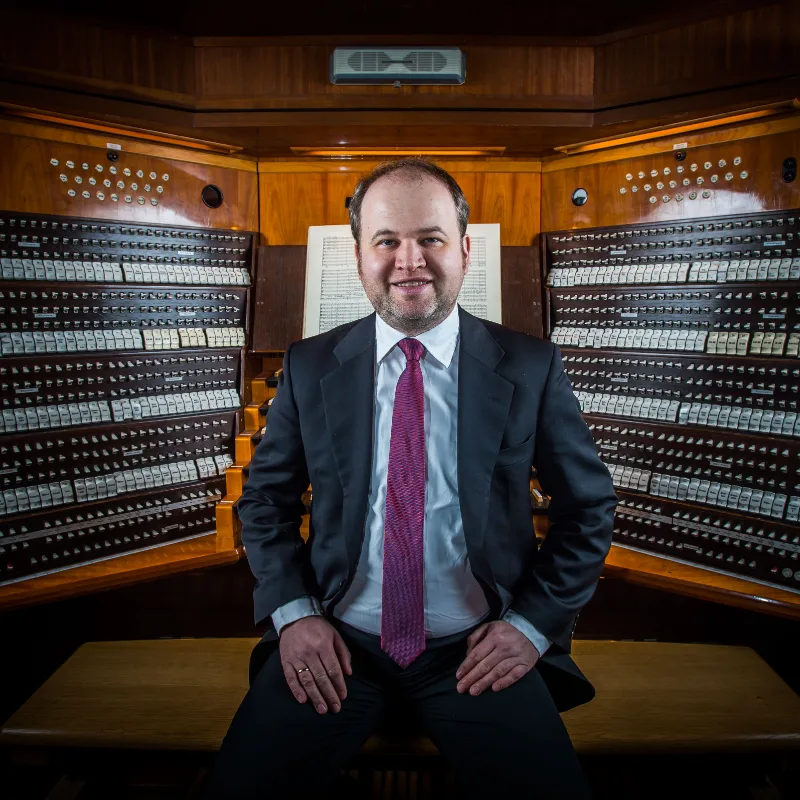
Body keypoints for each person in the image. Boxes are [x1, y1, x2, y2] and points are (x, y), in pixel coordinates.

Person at [200, 158, 617, 799]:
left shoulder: (530, 366)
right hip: (338, 643)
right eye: (387, 241)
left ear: (465, 249)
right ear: (359, 255)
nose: (409, 261)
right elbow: (263, 503)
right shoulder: (312, 365)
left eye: (431, 238)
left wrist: (530, 626)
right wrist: (294, 613)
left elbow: (588, 509)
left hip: (476, 652)